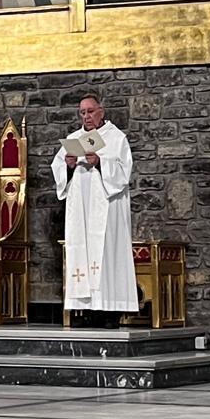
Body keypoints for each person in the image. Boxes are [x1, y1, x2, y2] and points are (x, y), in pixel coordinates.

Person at [51, 96, 137, 320]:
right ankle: (85, 311)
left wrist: (100, 163)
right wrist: (68, 167)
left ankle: (110, 314)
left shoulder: (116, 138)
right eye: (82, 113)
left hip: (107, 210)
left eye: (90, 111)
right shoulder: (74, 139)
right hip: (81, 211)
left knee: (105, 254)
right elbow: (58, 170)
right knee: (82, 252)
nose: (86, 117)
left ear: (101, 111)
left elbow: (124, 173)